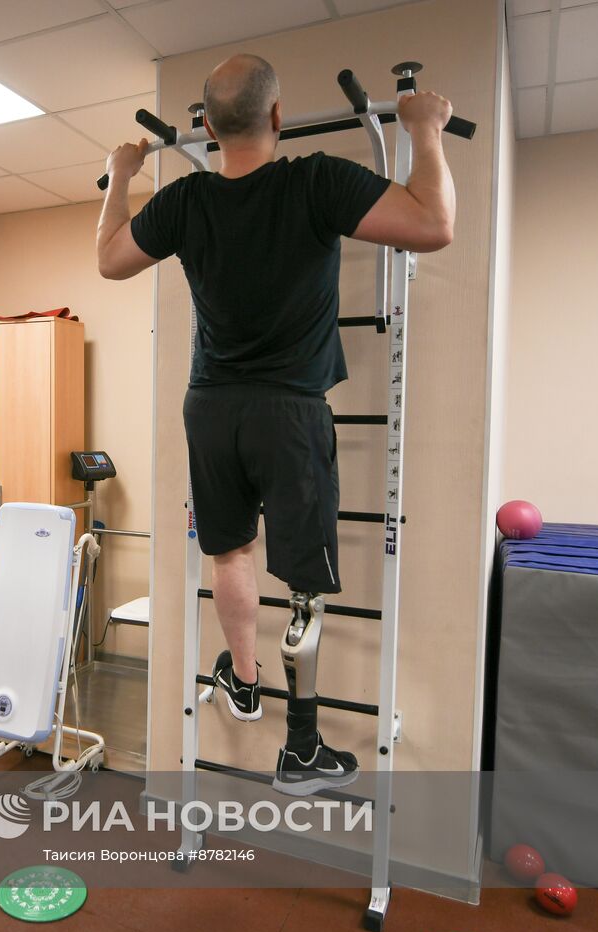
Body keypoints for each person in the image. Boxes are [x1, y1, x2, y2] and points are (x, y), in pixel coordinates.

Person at [96, 54, 455, 795]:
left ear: (212, 126)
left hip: (211, 408)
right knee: (301, 584)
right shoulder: (313, 180)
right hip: (289, 412)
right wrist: (425, 132)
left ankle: (247, 679)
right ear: (278, 117)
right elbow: (433, 223)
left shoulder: (188, 200)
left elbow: (108, 258)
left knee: (229, 552)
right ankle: (300, 745)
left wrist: (121, 173)